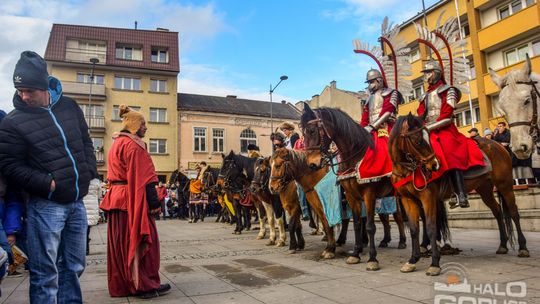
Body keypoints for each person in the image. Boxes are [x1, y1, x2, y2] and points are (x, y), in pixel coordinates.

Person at [0, 51, 98, 303]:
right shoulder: (13, 122)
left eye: (29, 90)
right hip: (46, 205)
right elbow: (10, 165)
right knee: (45, 274)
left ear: (44, 87)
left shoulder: (70, 106)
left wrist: (88, 173)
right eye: (19, 90)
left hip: (76, 203)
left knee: (74, 267)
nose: (23, 96)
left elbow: (86, 142)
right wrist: (46, 183)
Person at [99, 105, 170, 299]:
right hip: (130, 201)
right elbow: (146, 180)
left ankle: (123, 284)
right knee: (141, 241)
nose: (145, 128)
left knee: (120, 245)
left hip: (116, 199)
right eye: (143, 124)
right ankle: (143, 285)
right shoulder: (135, 145)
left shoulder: (117, 144)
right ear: (134, 125)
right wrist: (154, 204)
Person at [417, 61, 484, 209]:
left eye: (428, 72)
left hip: (446, 129)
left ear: (437, 73)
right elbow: (421, 115)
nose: (426, 76)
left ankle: (461, 193)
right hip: (427, 130)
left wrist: (429, 127)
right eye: (425, 73)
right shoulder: (424, 96)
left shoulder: (449, 90)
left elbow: (447, 115)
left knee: (449, 151)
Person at [84, 178, 101, 255]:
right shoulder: (96, 181)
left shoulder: (82, 177)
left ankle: (84, 248)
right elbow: (99, 194)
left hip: (83, 205)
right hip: (92, 207)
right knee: (87, 230)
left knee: (82, 230)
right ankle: (87, 249)